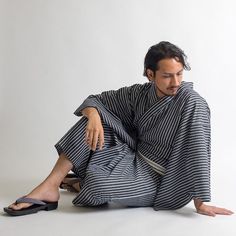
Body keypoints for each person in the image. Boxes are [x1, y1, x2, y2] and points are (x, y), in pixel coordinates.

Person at [4, 41, 233, 217]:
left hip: (159, 177)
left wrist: (200, 201)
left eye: (179, 74)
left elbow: (199, 150)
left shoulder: (192, 102)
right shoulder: (139, 94)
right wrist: (93, 114)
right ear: (150, 74)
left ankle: (79, 181)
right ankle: (50, 186)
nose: (175, 82)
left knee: (97, 188)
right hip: (134, 156)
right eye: (167, 76)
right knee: (92, 121)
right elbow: (96, 99)